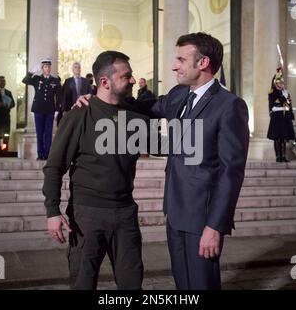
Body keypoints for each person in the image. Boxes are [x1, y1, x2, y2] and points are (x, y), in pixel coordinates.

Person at [76, 32, 250, 290]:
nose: (173, 65)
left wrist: (215, 226)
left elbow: (231, 172)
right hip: (175, 212)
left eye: (181, 59)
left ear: (203, 63)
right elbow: (142, 108)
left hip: (202, 218)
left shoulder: (229, 106)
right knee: (183, 285)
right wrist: (99, 98)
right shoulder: (179, 95)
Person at [43, 51, 147, 290]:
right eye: (126, 76)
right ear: (104, 82)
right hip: (86, 216)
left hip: (125, 215)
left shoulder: (135, 116)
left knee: (132, 285)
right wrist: (52, 211)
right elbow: (54, 166)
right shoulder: (79, 113)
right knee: (83, 284)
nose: (133, 80)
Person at [22, 58, 62, 160]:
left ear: (50, 67)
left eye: (48, 66)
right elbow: (25, 80)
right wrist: (31, 72)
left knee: (48, 133)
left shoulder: (55, 80)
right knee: (39, 133)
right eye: (45, 67)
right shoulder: (36, 79)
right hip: (38, 109)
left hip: (50, 110)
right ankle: (40, 154)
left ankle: (47, 154)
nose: (47, 68)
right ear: (42, 68)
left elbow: (59, 96)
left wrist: (57, 110)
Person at [267, 68, 295, 162]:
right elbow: (272, 107)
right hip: (277, 118)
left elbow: (289, 105)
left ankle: (283, 156)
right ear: (275, 83)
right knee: (277, 138)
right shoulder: (273, 93)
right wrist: (283, 107)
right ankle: (278, 156)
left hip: (285, 118)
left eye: (282, 83)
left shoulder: (286, 93)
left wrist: (290, 112)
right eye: (279, 83)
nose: (281, 84)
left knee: (284, 138)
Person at [0, 76, 15, 152]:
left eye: (4, 81)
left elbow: (13, 104)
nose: (3, 83)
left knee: (6, 134)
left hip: (6, 117)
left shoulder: (8, 92)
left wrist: (7, 105)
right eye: (1, 81)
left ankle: (5, 150)